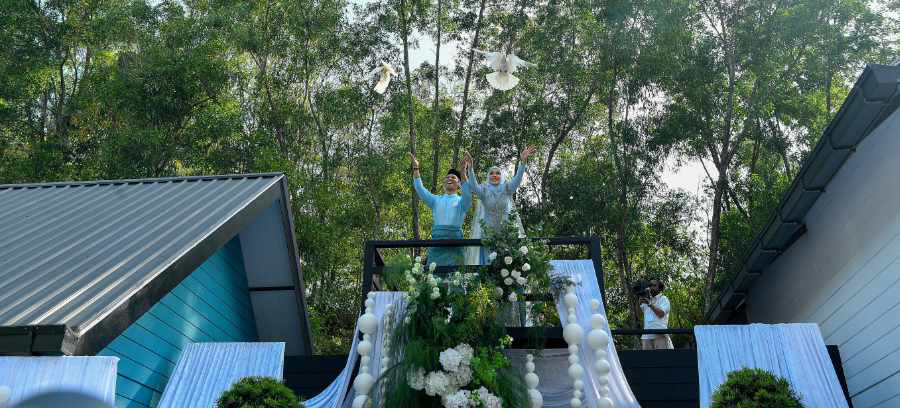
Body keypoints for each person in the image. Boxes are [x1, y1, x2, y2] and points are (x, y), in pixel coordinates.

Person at [462, 146, 536, 265]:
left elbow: (517, 178)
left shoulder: (507, 187)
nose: (494, 175)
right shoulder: (483, 190)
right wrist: (470, 168)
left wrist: (523, 162)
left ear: (501, 176)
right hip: (488, 237)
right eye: (491, 173)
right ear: (488, 176)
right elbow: (474, 186)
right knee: (489, 267)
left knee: (508, 268)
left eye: (498, 173)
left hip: (507, 236)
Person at [410, 152, 473, 266]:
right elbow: (419, 188)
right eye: (447, 177)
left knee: (456, 274)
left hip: (455, 244)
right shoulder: (436, 200)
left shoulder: (462, 201)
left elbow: (468, 193)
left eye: (453, 177)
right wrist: (416, 168)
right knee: (434, 274)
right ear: (444, 183)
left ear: (459, 184)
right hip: (437, 244)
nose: (449, 179)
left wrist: (463, 172)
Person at [640, 279, 673, 350]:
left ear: (660, 288)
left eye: (654, 285)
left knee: (663, 357)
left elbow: (661, 314)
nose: (651, 287)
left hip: (660, 335)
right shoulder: (647, 299)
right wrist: (639, 301)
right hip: (646, 337)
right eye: (650, 285)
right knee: (646, 358)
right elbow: (638, 315)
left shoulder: (664, 299)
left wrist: (650, 304)